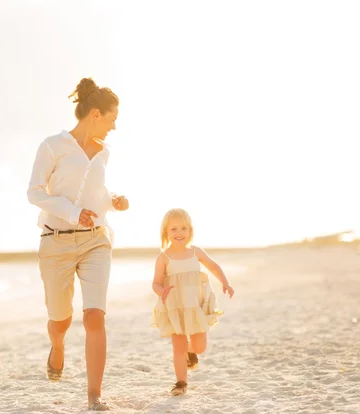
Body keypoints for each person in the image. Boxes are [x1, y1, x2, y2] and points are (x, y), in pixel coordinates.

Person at [27, 77, 129, 411]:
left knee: (94, 318)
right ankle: (57, 346)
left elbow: (95, 195)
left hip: (95, 242)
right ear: (96, 114)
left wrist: (114, 201)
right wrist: (72, 213)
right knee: (61, 321)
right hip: (55, 243)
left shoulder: (104, 153)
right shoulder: (53, 145)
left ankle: (94, 395)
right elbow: (35, 193)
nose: (114, 126)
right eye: (112, 118)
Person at [151, 208, 234, 396]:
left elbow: (213, 266)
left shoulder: (196, 252)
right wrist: (161, 291)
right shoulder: (163, 257)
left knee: (199, 347)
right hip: (174, 306)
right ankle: (181, 383)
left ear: (190, 230)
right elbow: (156, 282)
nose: (179, 233)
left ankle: (191, 351)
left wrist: (225, 283)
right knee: (177, 345)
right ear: (165, 231)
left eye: (184, 228)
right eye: (174, 229)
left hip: (195, 305)